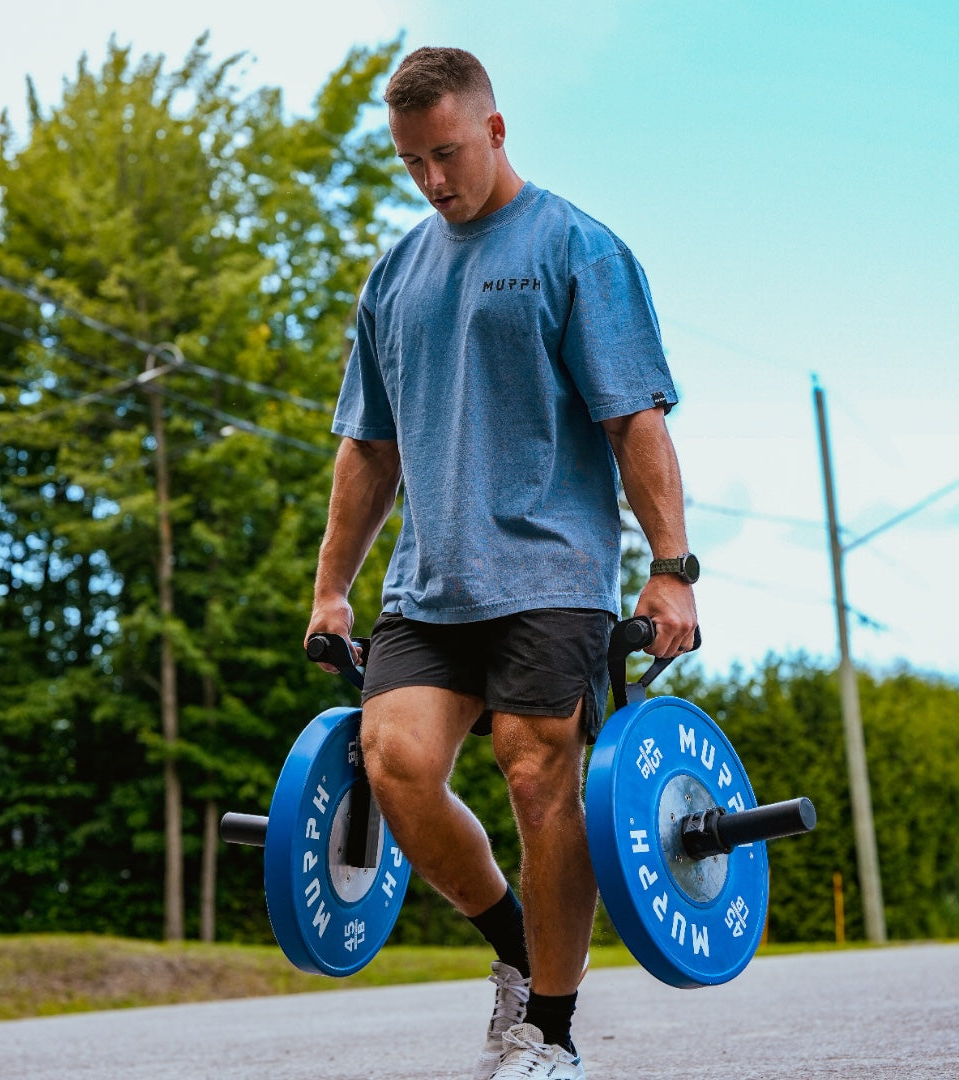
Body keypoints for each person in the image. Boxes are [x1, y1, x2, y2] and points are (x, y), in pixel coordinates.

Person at [305, 46, 698, 1080]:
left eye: (446, 153)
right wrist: (332, 586)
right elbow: (368, 448)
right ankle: (521, 952)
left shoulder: (578, 248)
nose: (433, 179)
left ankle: (552, 1038)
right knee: (396, 766)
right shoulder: (395, 275)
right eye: (410, 162)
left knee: (537, 774)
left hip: (552, 577)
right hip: (429, 589)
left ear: (494, 129)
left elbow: (635, 423)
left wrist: (672, 569)